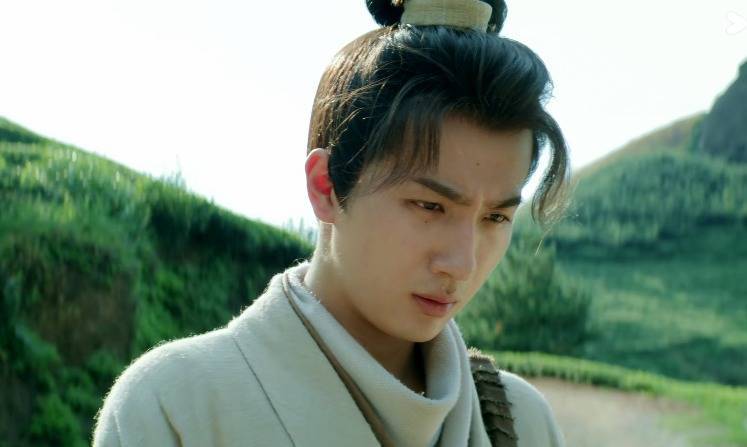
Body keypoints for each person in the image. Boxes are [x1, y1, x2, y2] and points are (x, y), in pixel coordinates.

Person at [93, 0, 570, 445]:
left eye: (495, 217)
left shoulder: (520, 422)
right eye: (429, 206)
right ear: (325, 186)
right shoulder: (178, 406)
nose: (462, 263)